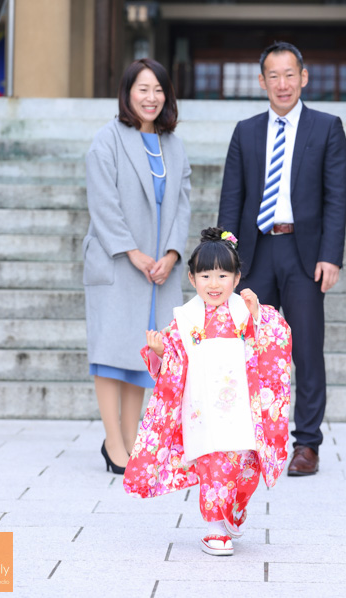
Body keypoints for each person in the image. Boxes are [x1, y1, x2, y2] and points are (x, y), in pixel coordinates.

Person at [217, 42, 346, 476]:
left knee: (306, 350)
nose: (282, 83)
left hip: (304, 254)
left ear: (304, 78)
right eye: (273, 76)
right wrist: (225, 260)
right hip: (256, 253)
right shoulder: (246, 131)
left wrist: (331, 255)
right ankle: (251, 438)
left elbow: (336, 199)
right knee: (250, 350)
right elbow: (231, 201)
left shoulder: (327, 128)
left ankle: (306, 444)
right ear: (262, 82)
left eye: (290, 74)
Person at [123, 228, 291, 557]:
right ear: (191, 278)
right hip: (203, 409)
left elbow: (276, 342)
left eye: (222, 275)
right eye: (205, 275)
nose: (214, 284)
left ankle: (236, 507)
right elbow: (169, 367)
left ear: (237, 277)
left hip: (241, 405)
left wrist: (259, 315)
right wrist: (158, 352)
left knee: (242, 466)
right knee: (214, 465)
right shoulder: (185, 319)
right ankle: (216, 528)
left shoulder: (245, 312)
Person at [83, 58, 191, 475]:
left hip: (159, 268)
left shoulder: (174, 144)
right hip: (118, 262)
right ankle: (114, 444)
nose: (151, 97)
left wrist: (171, 254)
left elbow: (182, 204)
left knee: (143, 357)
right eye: (143, 89)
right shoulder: (107, 140)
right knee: (112, 355)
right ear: (128, 93)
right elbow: (102, 201)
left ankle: (132, 442)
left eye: (159, 89)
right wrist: (132, 252)